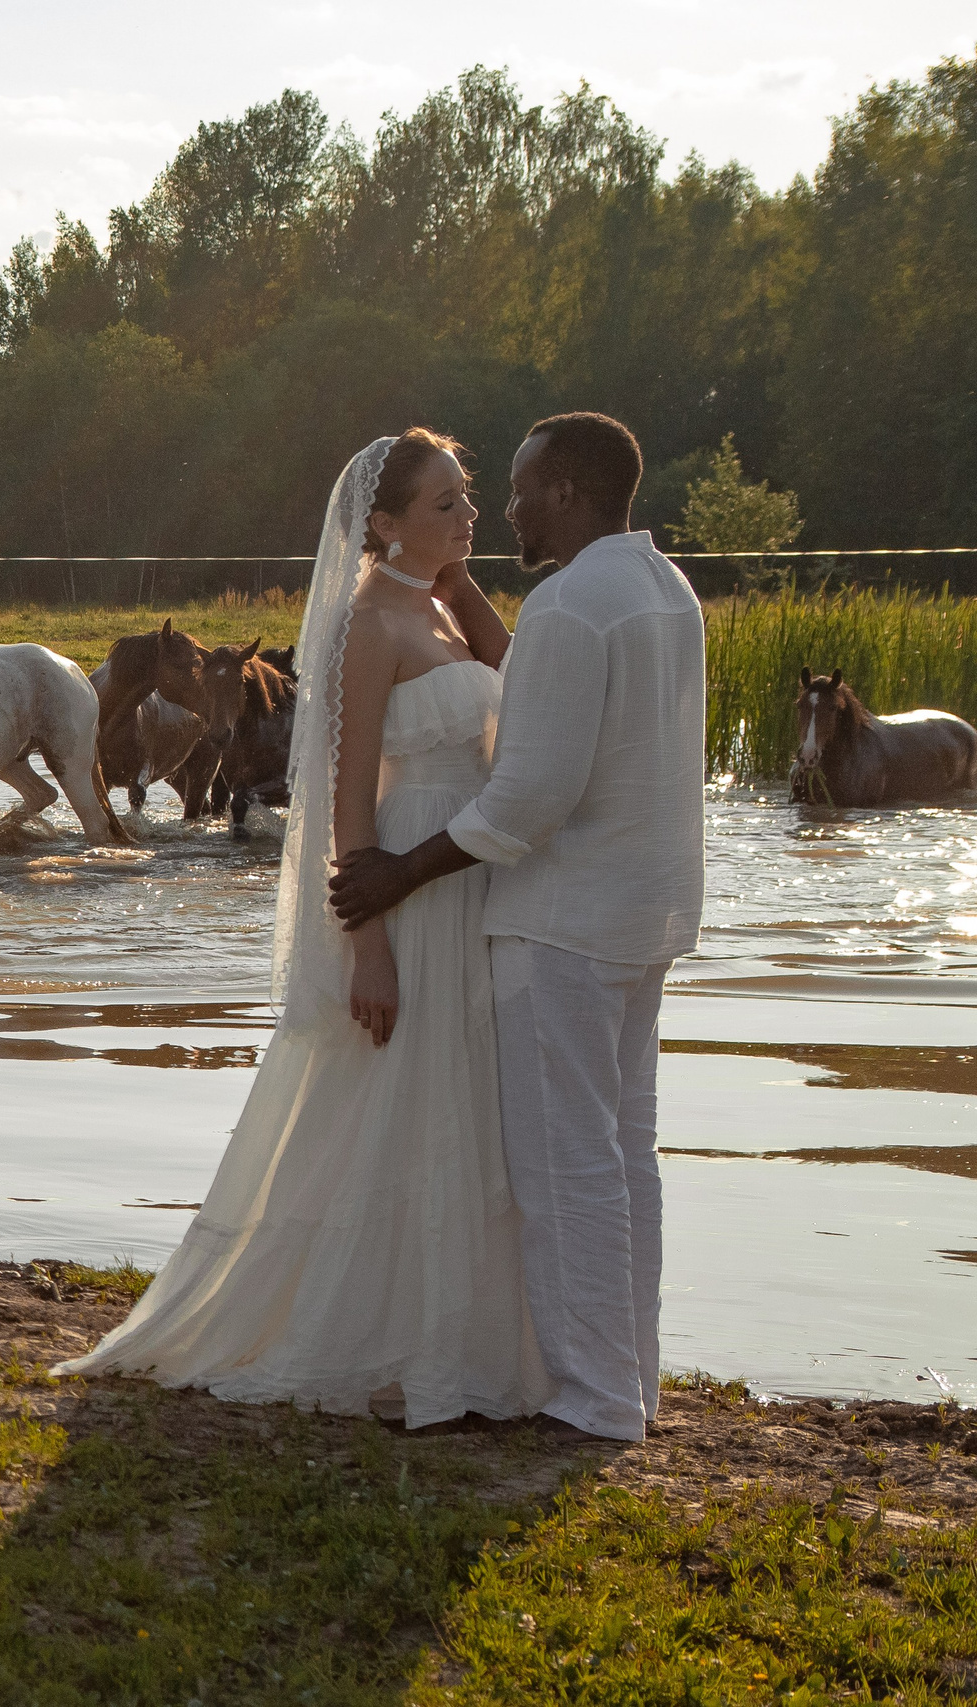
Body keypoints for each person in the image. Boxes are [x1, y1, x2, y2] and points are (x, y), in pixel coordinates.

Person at [53, 429, 549, 1428]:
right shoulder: (371, 624)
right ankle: (359, 1327)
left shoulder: (440, 609)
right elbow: (344, 789)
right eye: (446, 503)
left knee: (455, 1092)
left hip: (464, 874)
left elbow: (524, 681)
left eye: (467, 498)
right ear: (382, 523)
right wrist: (364, 940)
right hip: (404, 869)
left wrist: (456, 579)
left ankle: (454, 1327)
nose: (471, 516)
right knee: (393, 1087)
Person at [329, 412, 704, 1444]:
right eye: (462, 499)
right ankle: (629, 1381)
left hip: (564, 921)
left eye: (524, 488)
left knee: (563, 1165)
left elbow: (525, 799)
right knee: (624, 1154)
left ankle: (591, 1400)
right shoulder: (659, 587)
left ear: (571, 494)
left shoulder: (570, 607)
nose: (505, 509)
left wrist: (397, 874)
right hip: (643, 914)